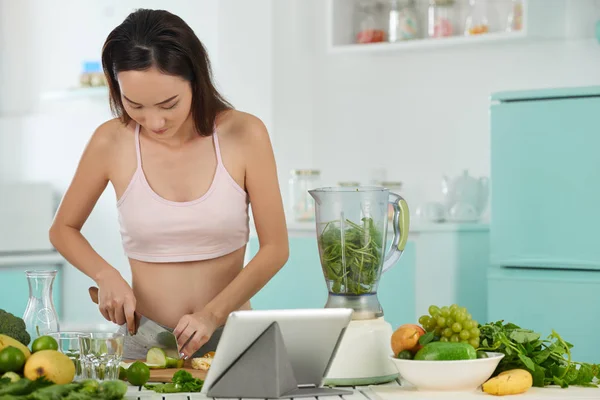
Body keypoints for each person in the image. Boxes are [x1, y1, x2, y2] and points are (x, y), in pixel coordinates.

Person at [49, 8, 289, 360]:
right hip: (141, 345)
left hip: (233, 338)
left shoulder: (245, 134)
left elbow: (276, 248)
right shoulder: (110, 142)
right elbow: (63, 229)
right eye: (135, 105)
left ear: (196, 78)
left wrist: (212, 314)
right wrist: (106, 275)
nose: (154, 121)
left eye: (168, 104)